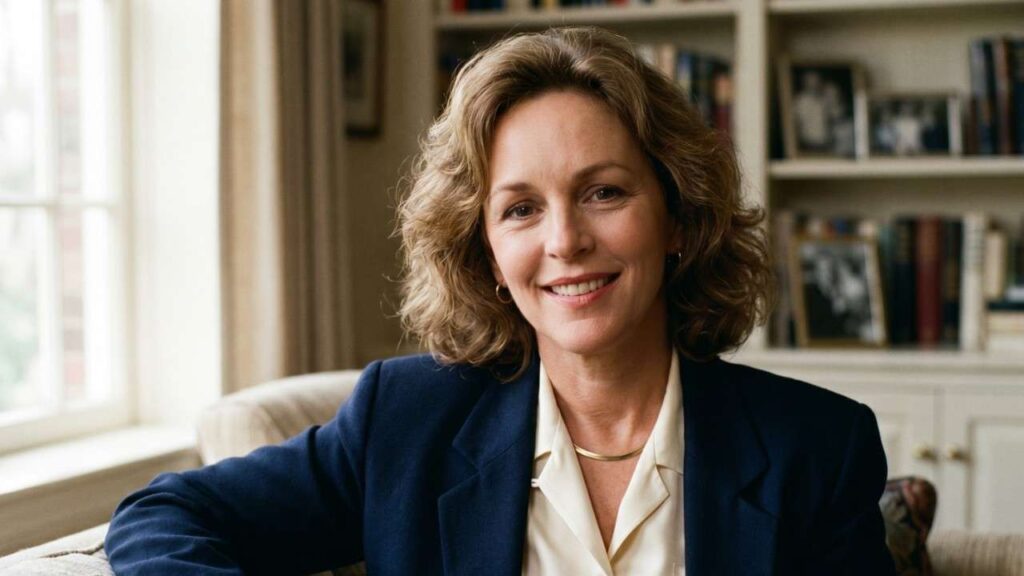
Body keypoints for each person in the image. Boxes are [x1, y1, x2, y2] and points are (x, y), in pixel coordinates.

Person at [104, 27, 896, 575]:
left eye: (604, 193)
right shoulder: (405, 421)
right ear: (486, 252)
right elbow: (163, 514)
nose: (564, 241)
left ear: (679, 219)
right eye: (520, 208)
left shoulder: (818, 449)